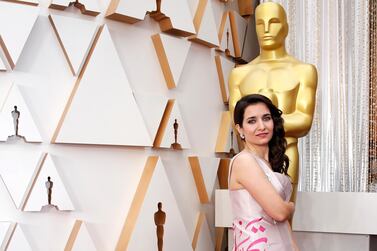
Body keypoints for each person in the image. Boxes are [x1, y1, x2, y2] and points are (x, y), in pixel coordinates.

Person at [228, 2, 318, 202]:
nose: (266, 29)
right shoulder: (239, 74)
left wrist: (258, 125)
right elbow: (236, 122)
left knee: (282, 220)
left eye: (274, 22)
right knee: (254, 218)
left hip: (287, 152)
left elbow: (304, 121)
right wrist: (273, 122)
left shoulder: (303, 70)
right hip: (250, 159)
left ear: (285, 27)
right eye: (260, 24)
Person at [229, 94, 298, 251]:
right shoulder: (244, 161)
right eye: (252, 121)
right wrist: (291, 206)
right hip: (257, 246)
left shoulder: (270, 163)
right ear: (240, 129)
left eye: (266, 118)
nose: (261, 126)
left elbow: (283, 223)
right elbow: (280, 213)